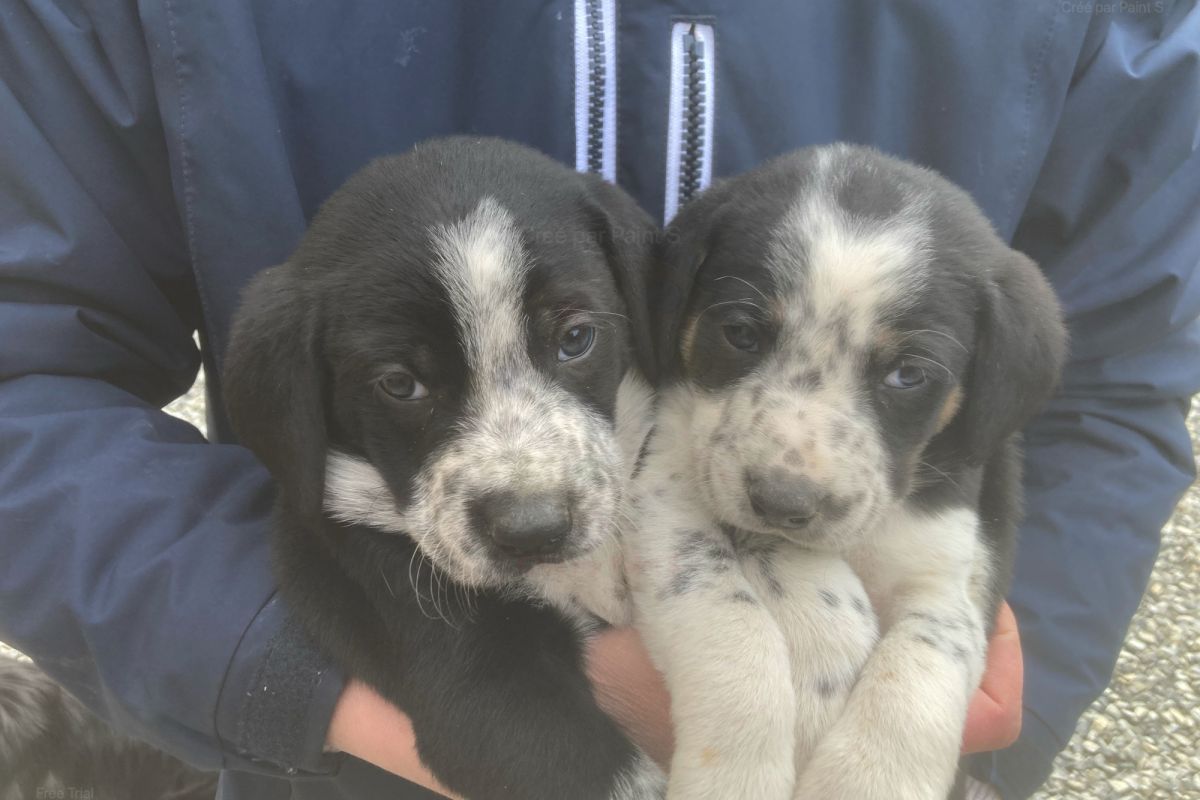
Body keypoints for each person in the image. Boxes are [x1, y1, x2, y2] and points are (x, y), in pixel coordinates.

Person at [0, 2, 1196, 798]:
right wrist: (323, 670)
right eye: (402, 378)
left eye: (578, 338)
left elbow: (1104, 384)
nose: (525, 473)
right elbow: (25, 373)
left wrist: (960, 719)